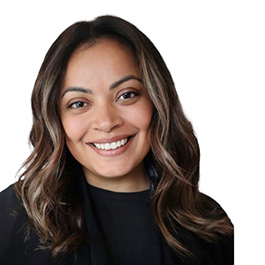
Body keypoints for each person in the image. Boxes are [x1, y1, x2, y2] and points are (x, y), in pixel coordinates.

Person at [0, 15, 233, 265]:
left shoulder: (210, 225)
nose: (107, 121)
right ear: (55, 119)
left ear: (157, 101)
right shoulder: (11, 217)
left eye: (126, 95)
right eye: (78, 103)